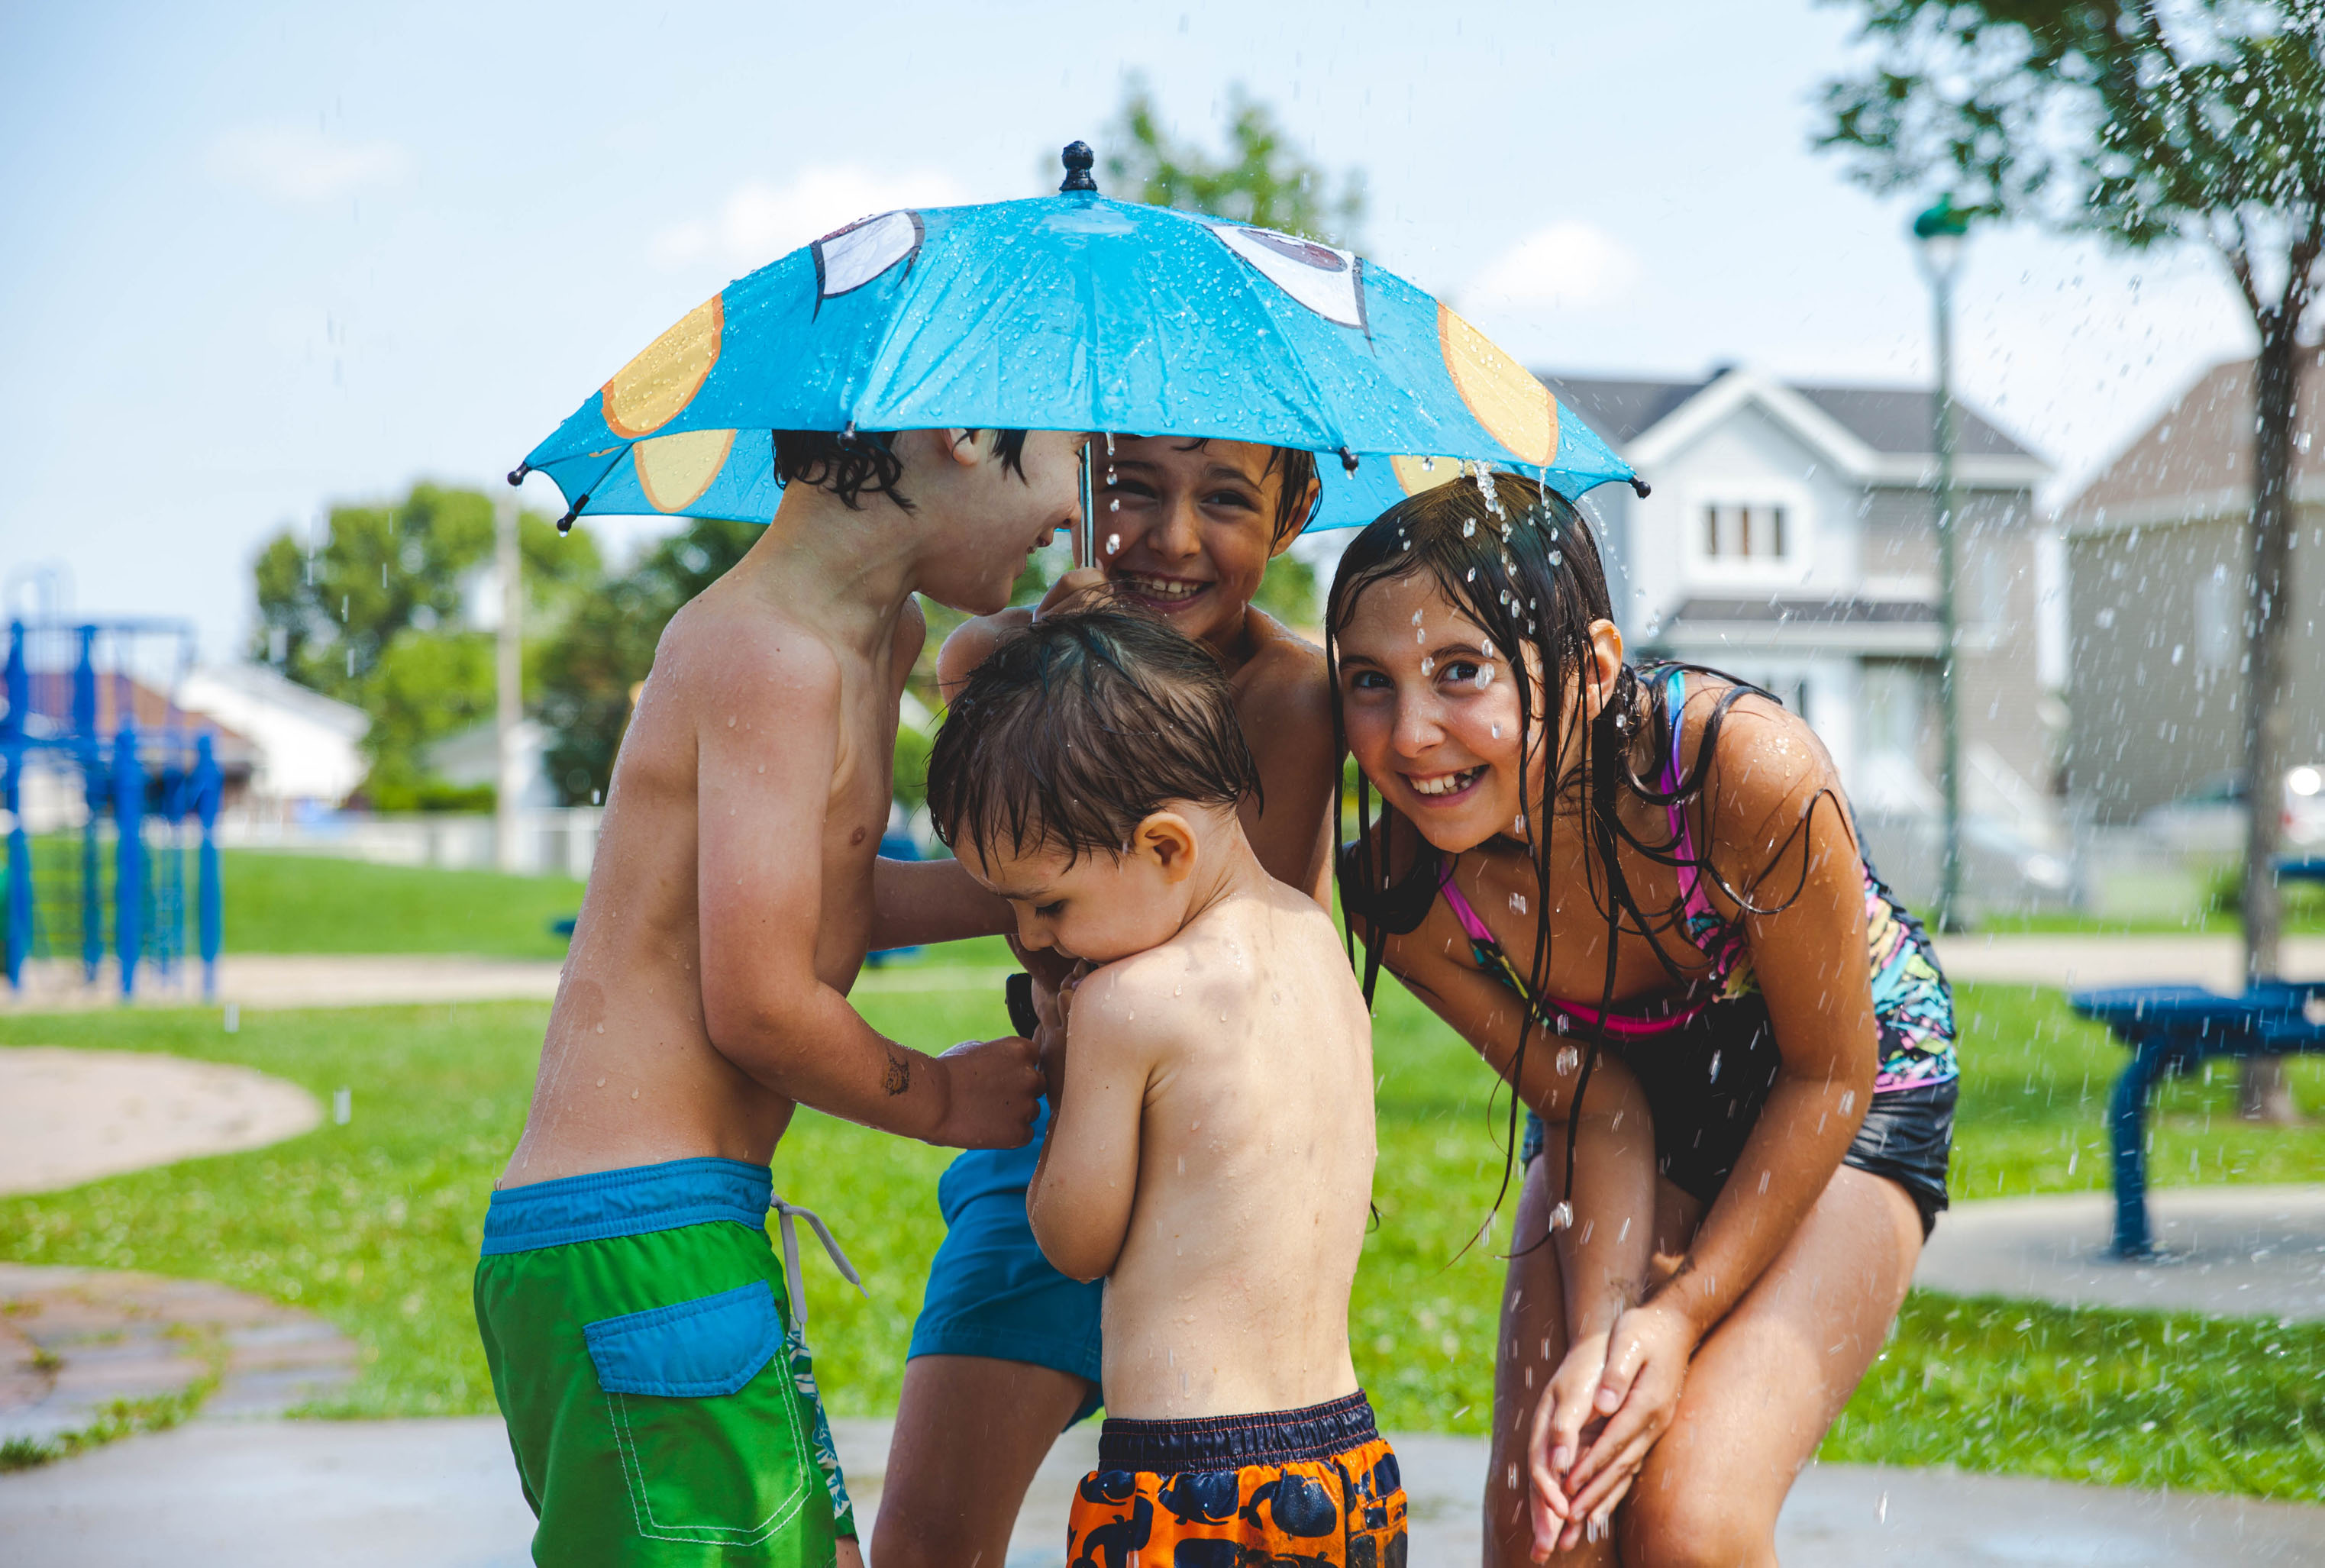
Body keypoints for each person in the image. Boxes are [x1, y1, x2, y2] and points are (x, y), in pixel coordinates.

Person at [473, 427, 1077, 1568]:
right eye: (1068, 449)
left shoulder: (872, 637)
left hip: (683, 1232)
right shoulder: (771, 657)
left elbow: (828, 904)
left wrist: (1049, 886)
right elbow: (755, 1001)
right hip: (640, 1245)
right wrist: (942, 1097)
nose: (1077, 507)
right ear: (963, 433)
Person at [1327, 471, 1956, 1565]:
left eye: (1460, 671)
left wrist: (1677, 1314)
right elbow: (1592, 1101)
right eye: (1368, 683)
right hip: (1618, 1108)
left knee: (1688, 1521)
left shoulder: (1739, 773)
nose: (1412, 733)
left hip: (1846, 1083)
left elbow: (1827, 1074)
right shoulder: (1404, 887)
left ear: (1592, 668)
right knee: (1552, 1523)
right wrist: (1603, 1335)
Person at [872, 437, 1338, 1567]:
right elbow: (1019, 880)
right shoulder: (992, 661)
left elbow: (1196, 945)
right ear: (1075, 480)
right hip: (1059, 1117)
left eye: (1223, 498)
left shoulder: (1292, 695)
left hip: (1207, 1161)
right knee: (929, 1539)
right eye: (1131, 487)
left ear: (1291, 514)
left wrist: (1110, 675)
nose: (1172, 537)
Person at [925, 605, 1407, 1566]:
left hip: (1190, 1485)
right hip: (1348, 1469)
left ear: (1165, 848)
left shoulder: (1127, 1002)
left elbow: (1075, 1240)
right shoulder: (1319, 945)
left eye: (1047, 902)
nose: (1032, 938)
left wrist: (1061, 1060)